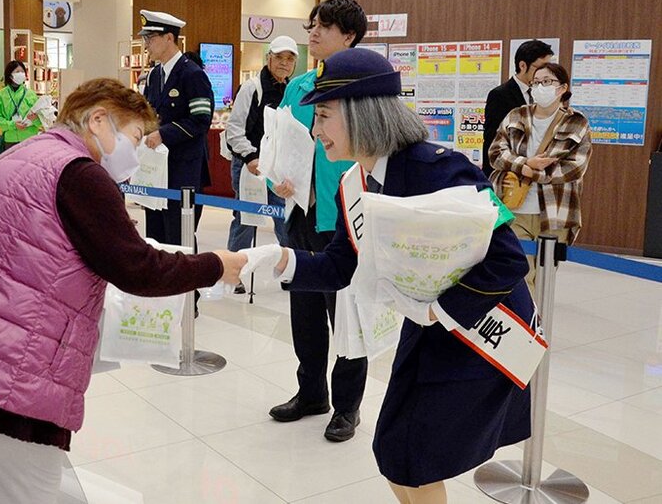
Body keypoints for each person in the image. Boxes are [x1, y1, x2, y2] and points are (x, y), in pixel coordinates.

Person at [0, 78, 244, 503]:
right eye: (134, 138)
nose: (136, 155)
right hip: (0, 370)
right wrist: (217, 264)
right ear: (99, 119)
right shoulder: (79, 173)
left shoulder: (32, 152)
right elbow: (137, 268)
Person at [241, 48, 534, 504]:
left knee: (412, 457)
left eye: (322, 116)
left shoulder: (442, 169)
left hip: (479, 331)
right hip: (427, 326)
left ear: (363, 113)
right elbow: (339, 265)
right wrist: (279, 260)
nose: (316, 131)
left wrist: (441, 310)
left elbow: (509, 261)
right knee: (394, 450)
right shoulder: (352, 183)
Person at [267, 0, 370, 443]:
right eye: (312, 25)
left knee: (345, 313)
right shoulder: (300, 84)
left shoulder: (365, 85)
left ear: (348, 36)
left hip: (343, 213)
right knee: (304, 308)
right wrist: (276, 177)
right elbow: (280, 140)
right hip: (299, 212)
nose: (312, 33)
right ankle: (311, 391)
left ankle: (347, 407)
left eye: (322, 27)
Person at [489, 62, 592, 291]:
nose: (539, 87)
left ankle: (537, 324)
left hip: (556, 212)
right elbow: (496, 153)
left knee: (544, 280)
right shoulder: (516, 116)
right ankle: (528, 325)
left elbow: (574, 168)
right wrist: (524, 165)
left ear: (562, 88)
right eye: (535, 82)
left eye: (547, 82)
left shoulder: (577, 122)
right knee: (520, 277)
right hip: (515, 209)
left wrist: (533, 172)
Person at [225, 35, 296, 293]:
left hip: (279, 168)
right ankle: (234, 273)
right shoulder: (252, 88)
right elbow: (233, 129)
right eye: (279, 57)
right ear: (269, 58)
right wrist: (251, 157)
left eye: (290, 59)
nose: (284, 63)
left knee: (285, 219)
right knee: (245, 219)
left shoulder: (292, 90)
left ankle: (291, 270)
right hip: (249, 165)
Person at [140, 9, 214, 247]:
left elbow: (201, 120)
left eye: (150, 39)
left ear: (169, 38)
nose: (146, 45)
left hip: (184, 170)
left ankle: (185, 285)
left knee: (179, 236)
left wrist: (163, 134)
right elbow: (147, 112)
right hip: (156, 169)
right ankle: (159, 284)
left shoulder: (192, 74)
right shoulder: (154, 76)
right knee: (155, 235)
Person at [481, 39, 554, 176]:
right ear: (522, 65)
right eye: (540, 67)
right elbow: (491, 141)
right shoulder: (500, 95)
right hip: (509, 174)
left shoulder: (545, 94)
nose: (545, 73)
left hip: (537, 172)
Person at [0, 60, 42, 152]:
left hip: (30, 139)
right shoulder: (1, 95)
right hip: (10, 140)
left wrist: (36, 119)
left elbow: (42, 119)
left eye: (22, 71)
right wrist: (13, 125)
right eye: (17, 72)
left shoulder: (31, 94)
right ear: (10, 75)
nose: (21, 74)